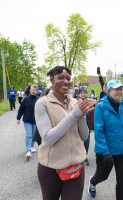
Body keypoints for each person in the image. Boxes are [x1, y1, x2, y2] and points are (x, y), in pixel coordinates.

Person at [35, 66, 96, 200]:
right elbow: (48, 138)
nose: (65, 81)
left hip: (76, 167)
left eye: (68, 78)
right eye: (60, 78)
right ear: (52, 80)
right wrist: (74, 114)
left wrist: (82, 115)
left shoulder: (75, 102)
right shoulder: (42, 103)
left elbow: (85, 136)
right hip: (51, 169)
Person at [88, 79, 123, 200]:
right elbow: (99, 131)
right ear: (109, 91)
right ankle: (92, 182)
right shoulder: (101, 107)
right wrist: (105, 152)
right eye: (116, 89)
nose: (119, 91)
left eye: (121, 89)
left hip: (122, 149)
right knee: (102, 175)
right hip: (106, 152)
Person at [17, 85, 39, 159]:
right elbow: (21, 109)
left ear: (37, 91)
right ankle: (28, 150)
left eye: (35, 90)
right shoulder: (26, 99)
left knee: (33, 135)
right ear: (29, 90)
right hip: (27, 120)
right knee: (29, 134)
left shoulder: (39, 100)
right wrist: (18, 118)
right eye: (32, 89)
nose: (33, 91)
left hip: (35, 121)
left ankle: (32, 146)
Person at [78, 86, 95, 166]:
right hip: (78, 125)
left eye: (84, 93)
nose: (83, 94)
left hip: (87, 125)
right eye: (81, 93)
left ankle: (85, 157)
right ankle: (79, 157)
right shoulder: (76, 102)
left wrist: (91, 127)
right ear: (79, 94)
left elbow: (92, 115)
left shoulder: (90, 102)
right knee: (78, 142)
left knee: (86, 141)